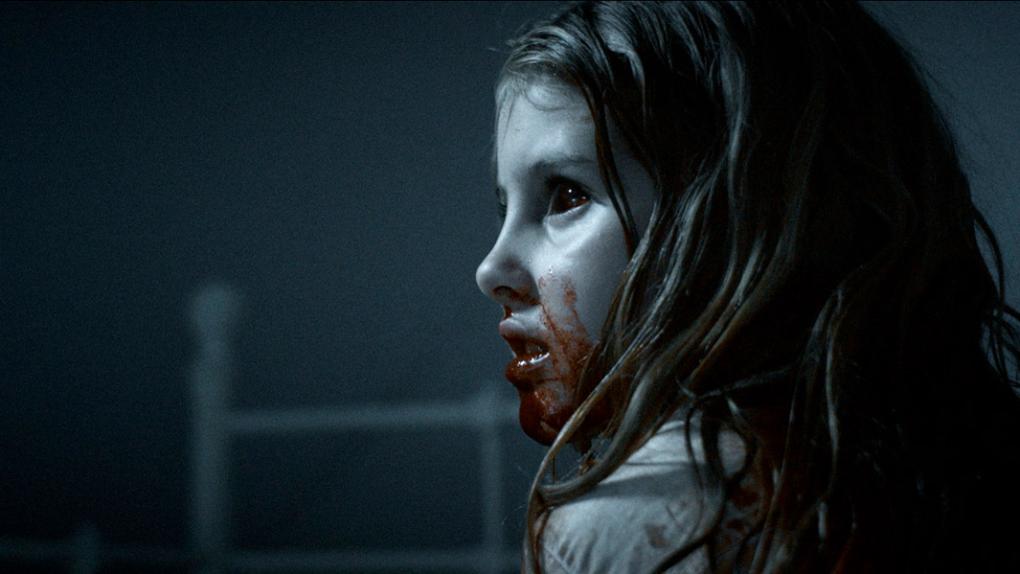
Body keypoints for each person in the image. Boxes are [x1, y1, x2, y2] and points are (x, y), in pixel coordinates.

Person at [475, 1, 1020, 572]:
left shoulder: (628, 528)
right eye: (505, 208)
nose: (491, 271)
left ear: (743, 218)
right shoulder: (969, 468)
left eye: (567, 195)